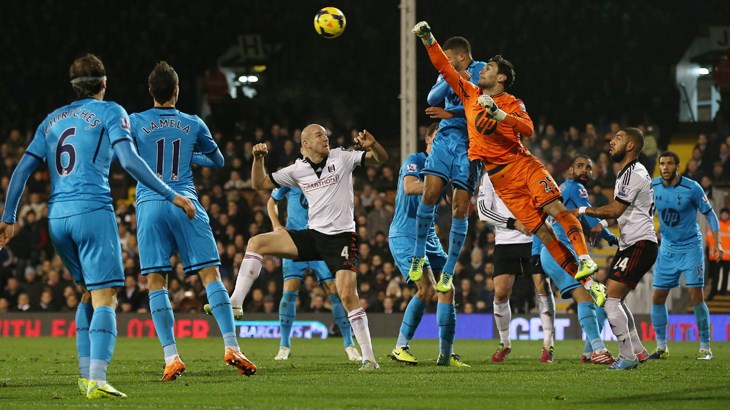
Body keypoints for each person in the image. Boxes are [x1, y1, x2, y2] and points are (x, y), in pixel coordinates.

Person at [0, 54, 196, 399]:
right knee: (107, 296)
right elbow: (130, 160)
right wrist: (171, 194)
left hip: (57, 218)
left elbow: (21, 170)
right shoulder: (111, 111)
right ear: (103, 83)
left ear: (73, 86)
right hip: (92, 211)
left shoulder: (51, 120)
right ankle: (98, 379)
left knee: (89, 293)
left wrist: (9, 217)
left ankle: (84, 376)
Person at [412, 22, 600, 294]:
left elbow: (528, 129)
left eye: (487, 69)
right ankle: (589, 284)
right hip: (502, 182)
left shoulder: (512, 101)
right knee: (544, 234)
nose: (481, 71)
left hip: (523, 166)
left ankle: (585, 259)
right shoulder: (469, 94)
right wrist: (429, 39)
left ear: (500, 78)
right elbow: (443, 66)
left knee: (556, 210)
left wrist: (499, 115)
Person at [129, 61, 256, 381]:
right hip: (186, 201)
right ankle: (232, 346)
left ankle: (171, 356)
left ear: (150, 91)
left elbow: (123, 156)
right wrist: (189, 157)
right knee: (210, 275)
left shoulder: (134, 121)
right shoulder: (193, 122)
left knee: (156, 281)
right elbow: (218, 160)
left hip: (150, 204)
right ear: (177, 90)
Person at [227, 124, 387, 371]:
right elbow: (259, 184)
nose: (326, 138)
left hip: (342, 239)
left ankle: (369, 358)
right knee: (256, 242)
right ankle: (236, 302)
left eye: (326, 134)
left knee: (346, 295)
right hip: (313, 236)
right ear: (306, 144)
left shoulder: (342, 157)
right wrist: (258, 159)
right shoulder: (297, 170)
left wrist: (373, 146)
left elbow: (380, 159)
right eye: (319, 135)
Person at [570, 128, 658, 370]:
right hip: (632, 243)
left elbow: (617, 210)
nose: (611, 141)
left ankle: (628, 356)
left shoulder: (633, 173)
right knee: (615, 300)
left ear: (630, 146)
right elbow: (624, 213)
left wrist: (582, 211)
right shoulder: (626, 173)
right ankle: (638, 351)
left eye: (618, 138)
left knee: (609, 300)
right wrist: (600, 224)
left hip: (639, 243)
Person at [408, 37, 486, 294]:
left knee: (460, 207)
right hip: (445, 138)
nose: (444, 63)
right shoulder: (447, 71)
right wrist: (449, 73)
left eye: (448, 58)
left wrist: (452, 112)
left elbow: (483, 106)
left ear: (461, 56)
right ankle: (419, 256)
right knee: (430, 193)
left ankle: (449, 270)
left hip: (471, 143)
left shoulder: (483, 70)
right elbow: (432, 97)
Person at [389, 123, 469, 367]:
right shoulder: (416, 159)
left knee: (448, 289)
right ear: (428, 139)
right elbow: (409, 186)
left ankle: (446, 355)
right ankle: (400, 347)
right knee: (426, 289)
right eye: (439, 138)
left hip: (429, 237)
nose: (443, 143)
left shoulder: (449, 166)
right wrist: (438, 183)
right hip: (404, 234)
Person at [264, 180, 361, 362]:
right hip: (294, 241)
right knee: (290, 289)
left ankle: (349, 344)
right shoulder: (291, 176)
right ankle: (284, 345)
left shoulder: (326, 176)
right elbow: (272, 201)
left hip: (320, 241)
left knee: (334, 290)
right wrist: (276, 224)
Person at [545, 154, 620, 363]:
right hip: (560, 251)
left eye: (589, 167)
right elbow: (590, 217)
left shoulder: (563, 188)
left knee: (600, 298)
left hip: (560, 251)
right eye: (580, 166)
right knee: (586, 298)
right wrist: (612, 238)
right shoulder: (574, 188)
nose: (585, 170)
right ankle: (598, 350)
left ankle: (589, 353)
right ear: (570, 171)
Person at [476, 174, 556, 363]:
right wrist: (513, 223)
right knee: (501, 292)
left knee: (542, 286)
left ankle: (548, 344)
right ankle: (505, 342)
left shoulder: (529, 169)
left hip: (533, 238)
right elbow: (483, 212)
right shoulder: (489, 177)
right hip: (505, 242)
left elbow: (547, 201)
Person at [650, 151, 722, 360]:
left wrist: (716, 242)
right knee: (657, 298)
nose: (665, 167)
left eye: (669, 163)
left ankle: (705, 347)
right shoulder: (652, 186)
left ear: (677, 166)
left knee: (695, 297)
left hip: (691, 248)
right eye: (662, 163)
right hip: (667, 249)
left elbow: (710, 213)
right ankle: (662, 348)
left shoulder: (692, 188)